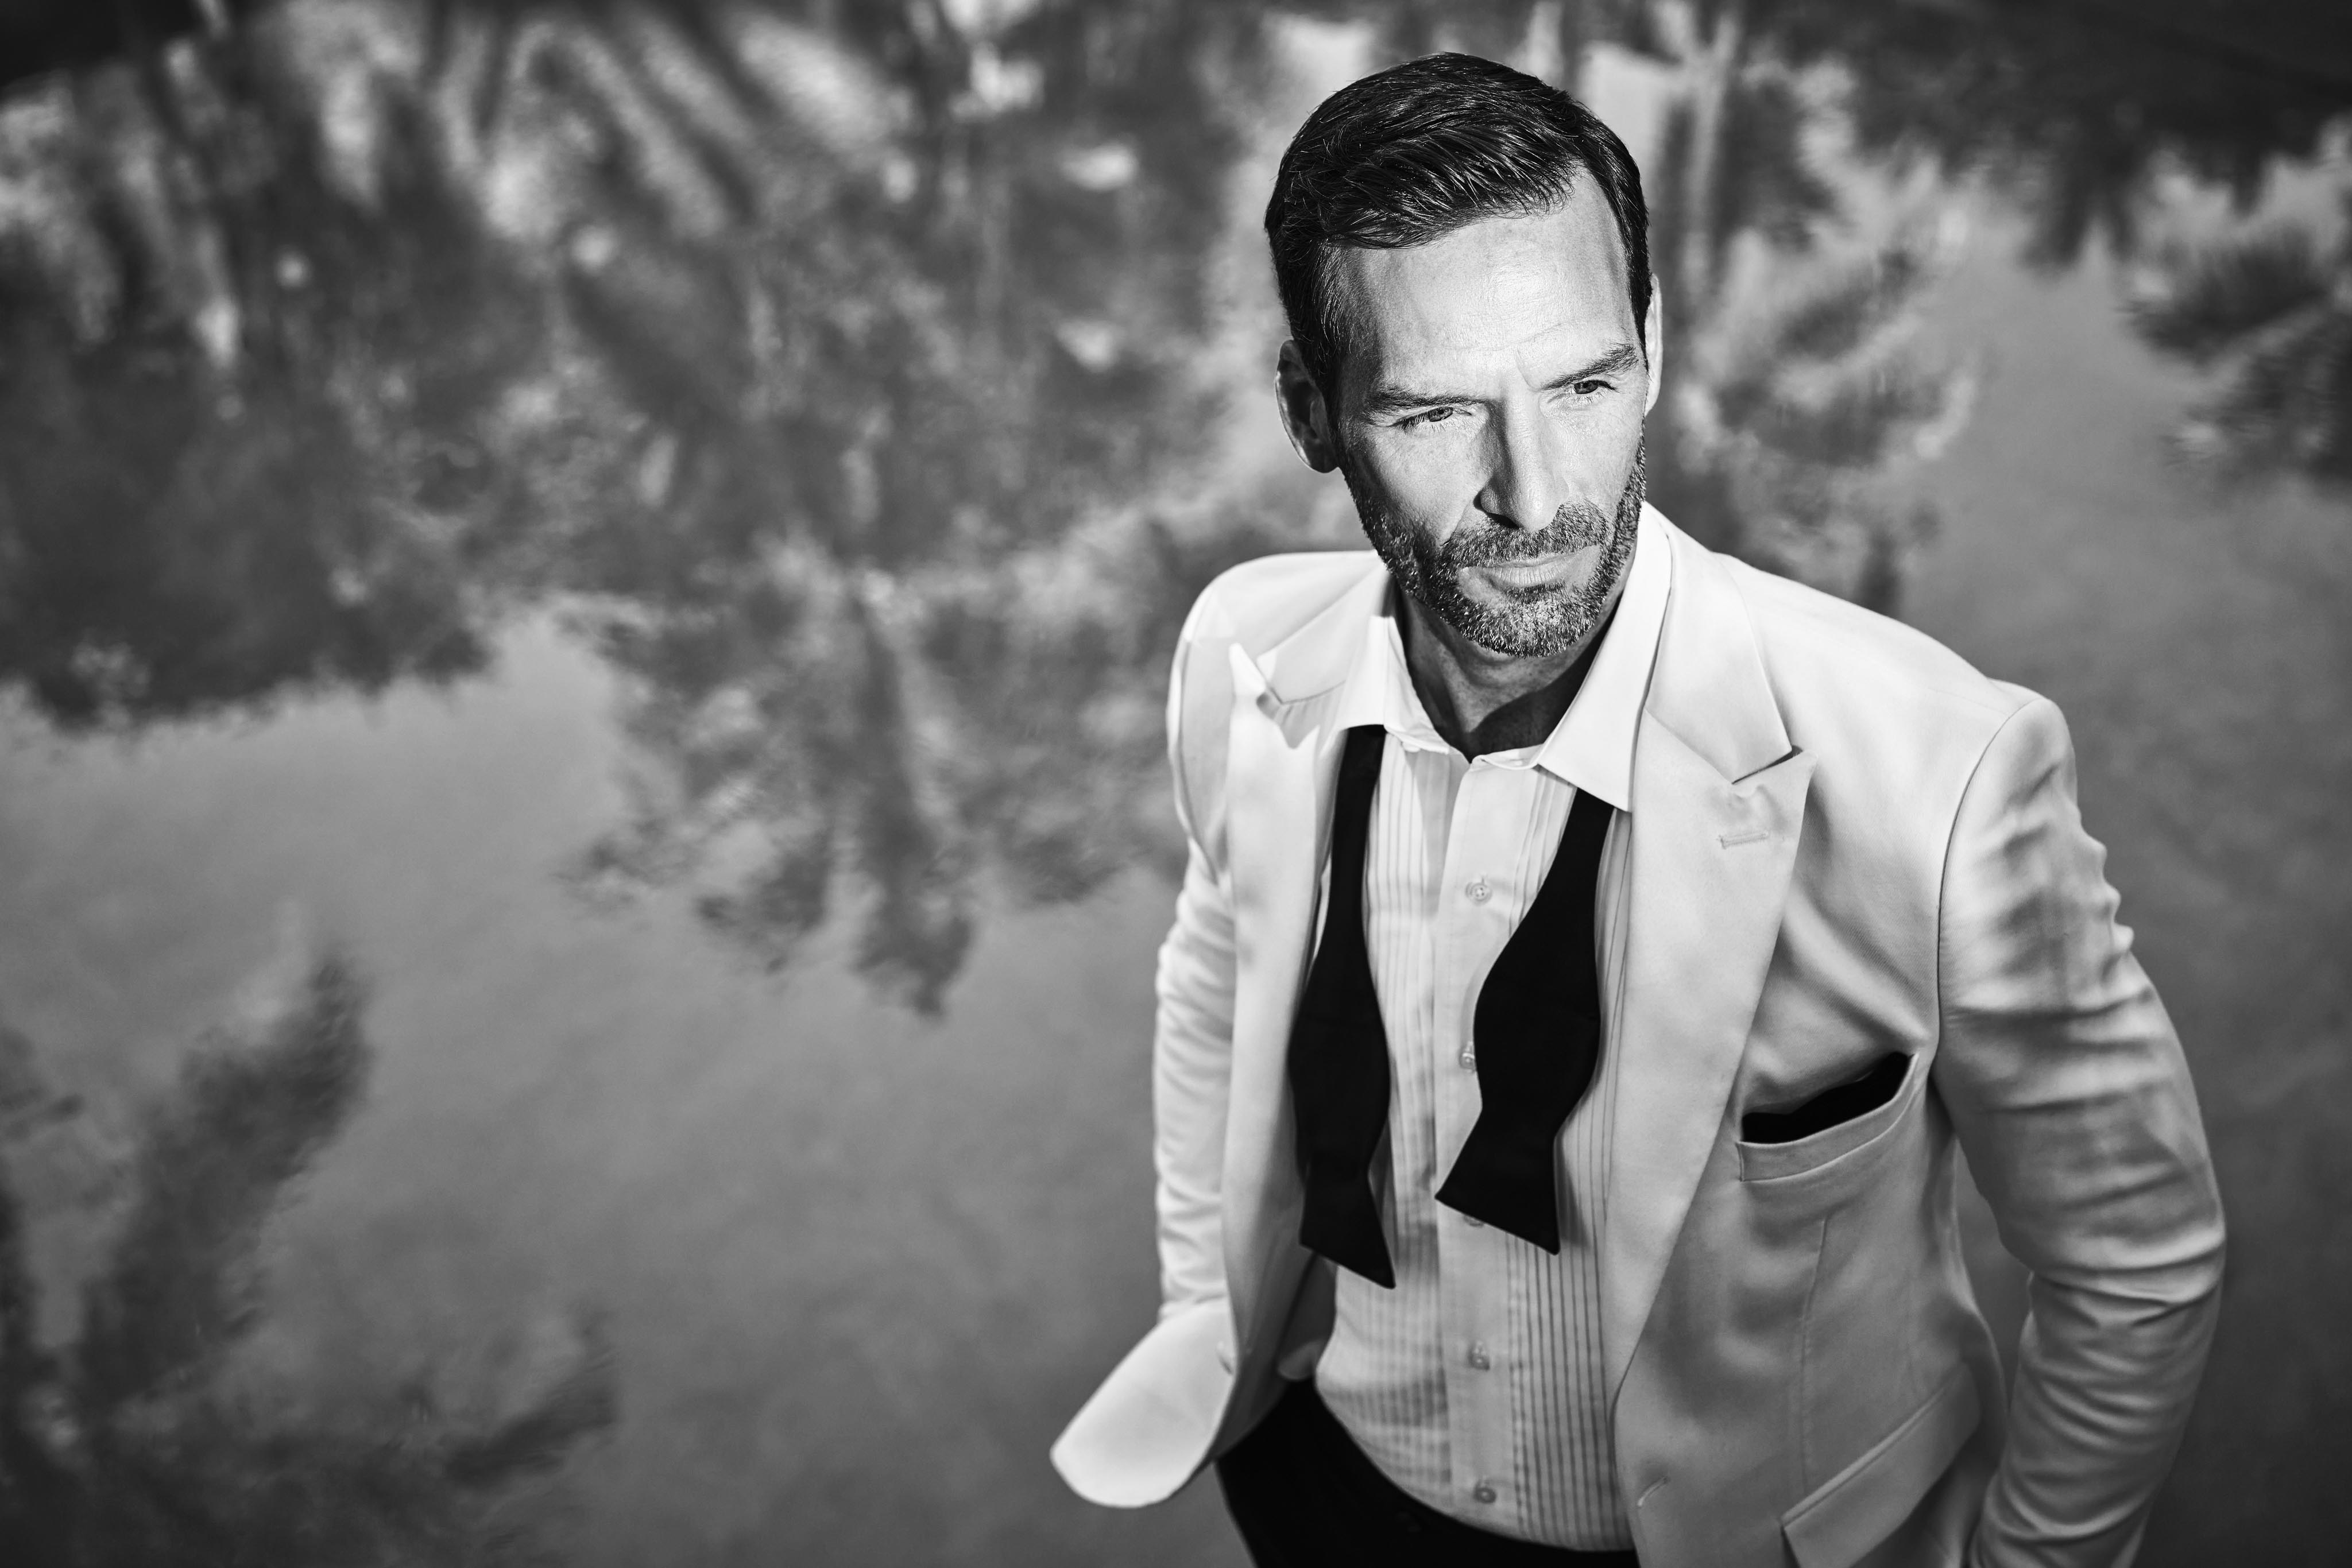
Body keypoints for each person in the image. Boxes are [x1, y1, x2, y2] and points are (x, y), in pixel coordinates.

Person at [1050, 52, 2223, 1568]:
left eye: (1585, 384)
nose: (1536, 494)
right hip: (1324, 1480)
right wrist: (1211, 1310)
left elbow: (2135, 1258)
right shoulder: (1242, 653)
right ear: (1314, 412)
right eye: (1435, 413)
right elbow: (1218, 976)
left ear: (1654, 346)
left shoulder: (1937, 776)